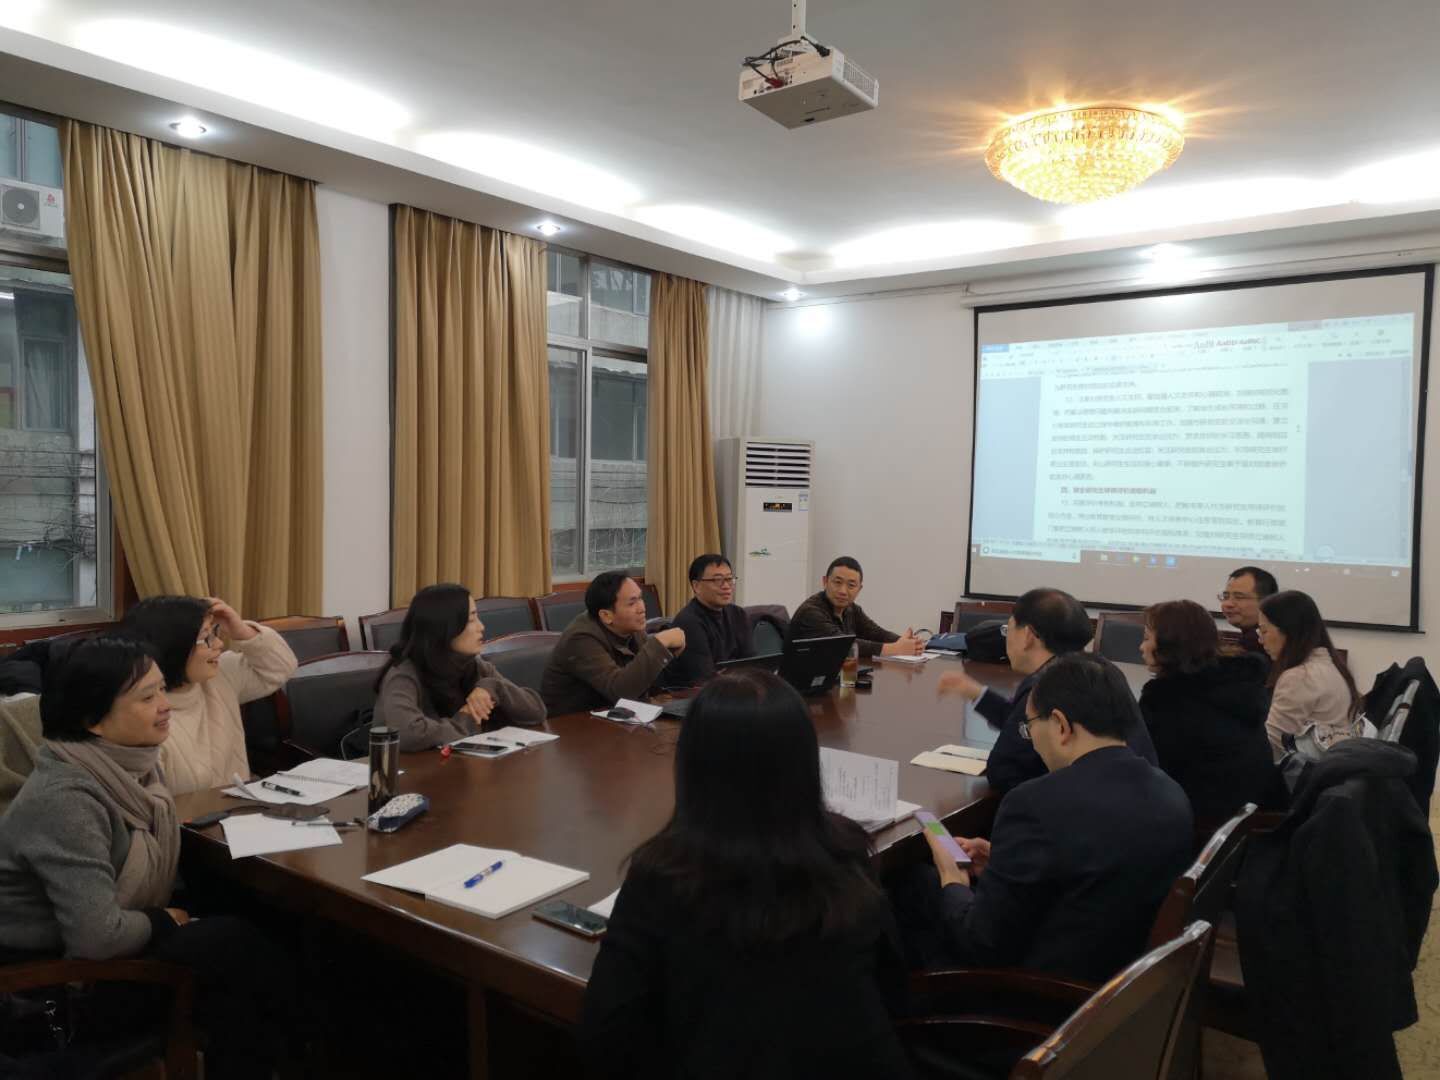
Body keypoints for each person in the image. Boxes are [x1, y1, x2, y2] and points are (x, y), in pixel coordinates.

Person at [582, 670, 912, 1078]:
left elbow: (606, 1035)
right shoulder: (846, 852)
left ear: (693, 766)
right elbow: (893, 992)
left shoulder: (665, 876)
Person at [0, 638, 295, 1079]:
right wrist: (163, 921)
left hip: (93, 954)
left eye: (162, 689)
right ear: (93, 719)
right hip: (56, 986)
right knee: (234, 948)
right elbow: (96, 938)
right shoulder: (67, 799)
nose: (165, 705)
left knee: (261, 922)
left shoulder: (129, 765)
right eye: (146, 697)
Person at [899, 654, 1193, 984]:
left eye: (1029, 728)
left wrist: (951, 878)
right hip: (1122, 984)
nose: (1032, 741)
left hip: (1040, 994)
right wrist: (1003, 862)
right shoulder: (1171, 793)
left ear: (1060, 725)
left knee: (908, 886)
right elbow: (1099, 867)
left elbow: (980, 943)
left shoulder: (1034, 804)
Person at [937, 587, 1156, 796]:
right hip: (1142, 796)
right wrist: (976, 693)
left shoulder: (1049, 685)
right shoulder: (1101, 670)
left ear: (1028, 636)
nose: (1006, 638)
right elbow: (1022, 725)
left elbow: (1003, 770)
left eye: (1008, 629)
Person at [118, 596, 297, 796]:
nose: (219, 643)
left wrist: (242, 631)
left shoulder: (220, 675)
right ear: (174, 646)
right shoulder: (141, 715)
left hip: (241, 808)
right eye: (206, 638)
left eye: (214, 632)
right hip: (190, 816)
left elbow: (282, 667)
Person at [1138, 599, 1284, 824]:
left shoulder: (1167, 699)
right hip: (1253, 816)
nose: (1141, 647)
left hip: (1201, 820)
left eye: (1147, 638)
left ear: (1170, 644)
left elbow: (1149, 768)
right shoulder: (1237, 683)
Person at [373, 584, 546, 751]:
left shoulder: (474, 665)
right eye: (471, 619)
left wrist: (496, 688)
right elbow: (409, 734)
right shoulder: (403, 674)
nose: (481, 627)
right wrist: (468, 718)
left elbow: (536, 712)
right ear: (444, 628)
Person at [541, 572, 687, 716]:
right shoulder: (581, 638)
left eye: (640, 598)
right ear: (606, 615)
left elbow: (647, 682)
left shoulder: (631, 627)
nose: (642, 608)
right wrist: (658, 645)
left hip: (616, 717)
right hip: (572, 723)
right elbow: (621, 692)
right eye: (632, 603)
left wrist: (670, 653)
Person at [1258, 590, 1362, 760]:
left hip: (1307, 770)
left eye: (1264, 631)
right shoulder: (1331, 665)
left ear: (1288, 630)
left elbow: (1273, 746)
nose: (1260, 640)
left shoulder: (1300, 677)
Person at [787, 556, 924, 659]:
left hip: (833, 677)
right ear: (825, 581)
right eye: (837, 582)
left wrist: (907, 643)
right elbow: (843, 645)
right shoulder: (811, 612)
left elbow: (876, 633)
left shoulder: (851, 609)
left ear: (859, 589)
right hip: (799, 684)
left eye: (851, 585)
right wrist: (896, 648)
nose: (843, 591)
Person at [664, 554, 756, 688]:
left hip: (734, 688)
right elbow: (704, 678)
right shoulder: (688, 622)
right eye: (718, 580)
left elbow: (752, 664)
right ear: (696, 586)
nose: (726, 586)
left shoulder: (738, 614)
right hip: (696, 695)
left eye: (729, 579)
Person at [1220, 566, 1278, 656]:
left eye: (1239, 597)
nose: (1228, 604)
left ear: (1266, 601)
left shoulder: (1260, 643)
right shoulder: (1248, 638)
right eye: (1225, 597)